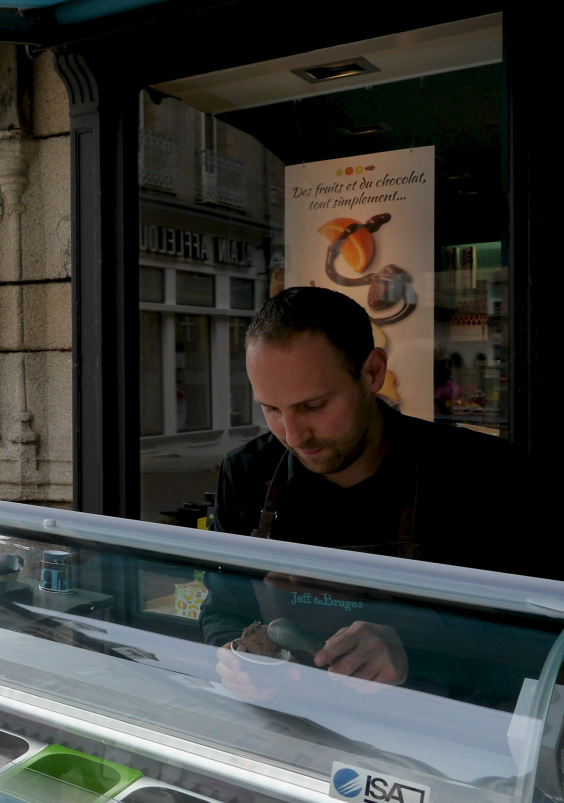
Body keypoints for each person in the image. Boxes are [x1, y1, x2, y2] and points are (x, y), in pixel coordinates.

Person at [204, 286, 543, 702]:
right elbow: (223, 608)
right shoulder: (247, 473)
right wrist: (232, 658)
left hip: (439, 738)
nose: (293, 436)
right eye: (271, 409)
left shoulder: (485, 475)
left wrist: (415, 652)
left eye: (314, 406)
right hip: (293, 725)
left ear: (373, 372)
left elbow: (536, 640)